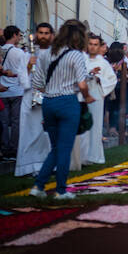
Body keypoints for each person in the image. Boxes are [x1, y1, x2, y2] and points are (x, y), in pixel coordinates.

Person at [29, 19, 94, 200]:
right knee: (64, 148)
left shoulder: (46, 54)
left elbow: (37, 83)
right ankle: (61, 190)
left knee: (56, 147)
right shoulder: (76, 55)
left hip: (48, 102)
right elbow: (81, 84)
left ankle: (39, 186)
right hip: (67, 101)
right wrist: (87, 96)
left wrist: (53, 88)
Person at [15, 23, 53, 177]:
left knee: (46, 134)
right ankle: (28, 167)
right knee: (29, 131)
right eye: (40, 33)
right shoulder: (26, 55)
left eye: (46, 33)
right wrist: (29, 66)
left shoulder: (54, 54)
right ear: (36, 35)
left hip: (49, 96)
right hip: (30, 96)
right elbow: (22, 79)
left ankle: (46, 165)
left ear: (51, 35)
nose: (43, 36)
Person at [79, 34, 116, 166]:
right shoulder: (82, 59)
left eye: (95, 44)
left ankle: (94, 156)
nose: (93, 47)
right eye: (90, 44)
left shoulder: (103, 63)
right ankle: (81, 156)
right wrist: (89, 74)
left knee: (94, 126)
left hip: (96, 95)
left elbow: (112, 80)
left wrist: (100, 81)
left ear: (99, 46)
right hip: (80, 95)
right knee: (81, 125)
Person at [0, 26, 28, 159]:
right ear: (15, 35)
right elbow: (23, 71)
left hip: (1, 89)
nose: (20, 38)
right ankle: (14, 149)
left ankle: (4, 148)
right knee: (16, 122)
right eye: (19, 35)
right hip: (16, 90)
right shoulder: (19, 52)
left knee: (3, 122)